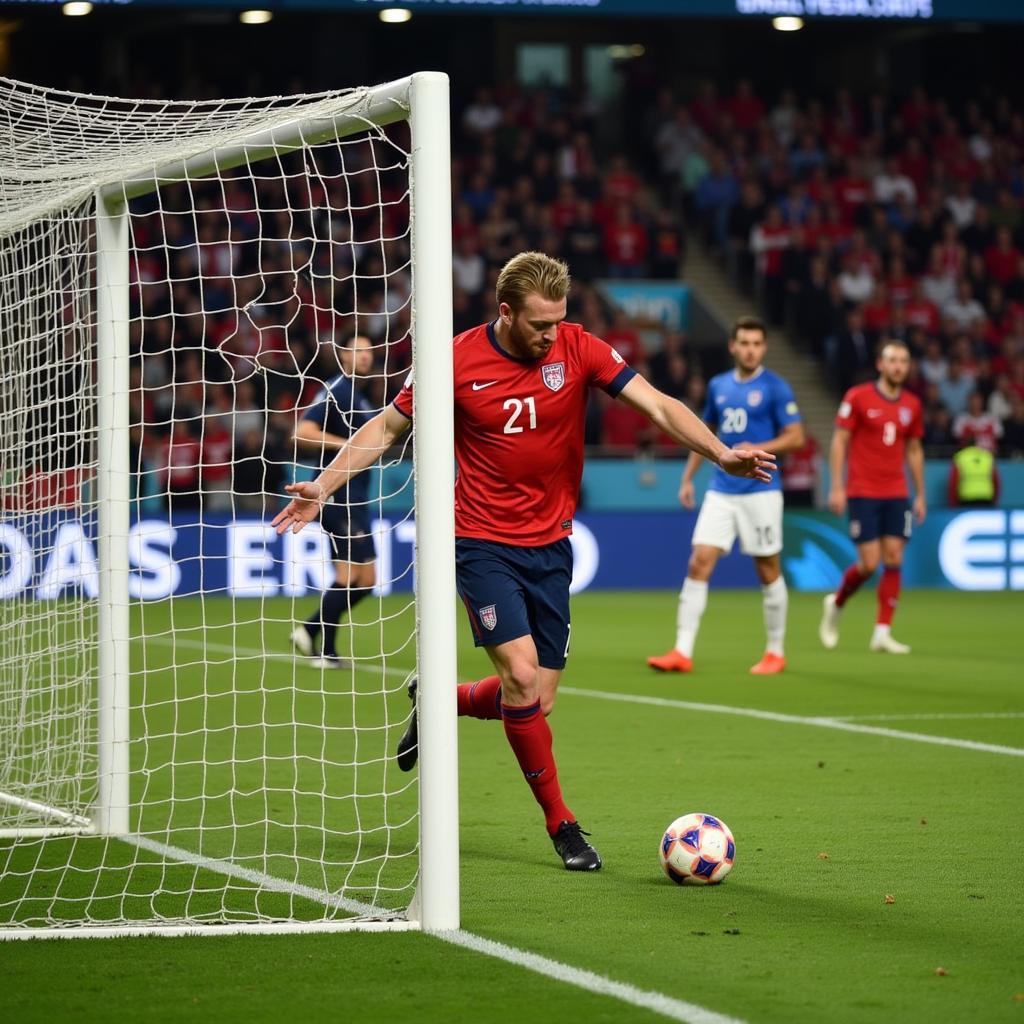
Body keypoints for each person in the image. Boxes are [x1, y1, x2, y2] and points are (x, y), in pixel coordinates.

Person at [273, 252, 775, 873]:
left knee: (538, 696)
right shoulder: (454, 360)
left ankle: (438, 699)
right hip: (480, 539)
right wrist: (322, 485)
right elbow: (385, 428)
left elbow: (659, 405)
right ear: (506, 312)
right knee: (520, 676)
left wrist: (721, 453)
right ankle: (562, 823)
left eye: (558, 321)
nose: (550, 334)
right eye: (540, 324)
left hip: (551, 544)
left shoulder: (578, 346)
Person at [647, 317, 804, 677]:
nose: (750, 349)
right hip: (721, 489)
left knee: (767, 569)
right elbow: (706, 436)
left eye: (756, 343)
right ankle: (681, 651)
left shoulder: (776, 388)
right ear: (733, 346)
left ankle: (775, 651)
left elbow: (796, 437)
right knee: (699, 561)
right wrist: (688, 479)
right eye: (744, 343)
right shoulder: (718, 386)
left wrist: (757, 448)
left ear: (763, 348)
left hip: (760, 490)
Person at [819, 340, 926, 655]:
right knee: (869, 564)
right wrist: (836, 486)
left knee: (894, 557)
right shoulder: (858, 397)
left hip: (896, 491)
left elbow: (915, 450)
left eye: (903, 361)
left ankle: (882, 632)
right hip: (863, 491)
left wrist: (919, 494)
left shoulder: (912, 405)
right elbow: (839, 441)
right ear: (880, 364)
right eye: (892, 360)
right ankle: (836, 603)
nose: (898, 367)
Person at [289, 334, 378, 669]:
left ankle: (309, 629)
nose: (365, 357)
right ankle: (325, 651)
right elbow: (301, 432)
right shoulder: (336, 390)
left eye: (369, 351)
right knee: (348, 575)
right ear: (342, 355)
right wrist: (349, 445)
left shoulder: (360, 396)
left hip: (358, 497)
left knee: (367, 581)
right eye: (357, 351)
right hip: (338, 496)